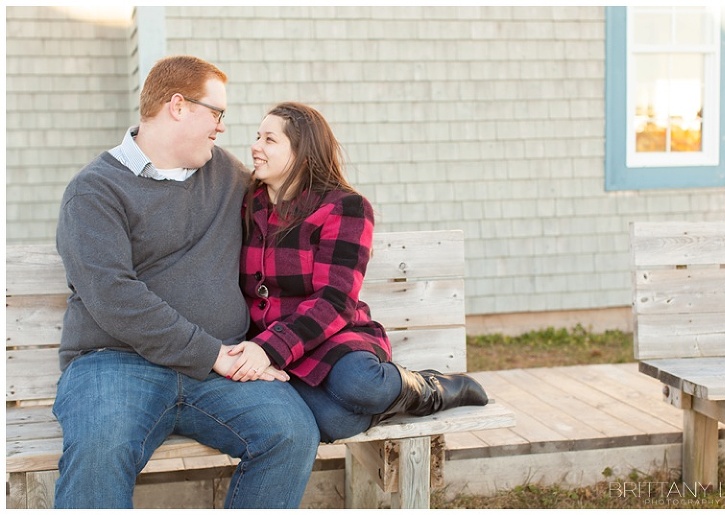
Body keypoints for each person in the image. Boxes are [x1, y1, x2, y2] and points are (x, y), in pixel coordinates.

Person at [53, 56, 320, 509]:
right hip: (116, 363)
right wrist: (213, 355)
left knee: (291, 432)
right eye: (216, 113)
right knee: (101, 448)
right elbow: (114, 297)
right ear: (178, 106)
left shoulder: (231, 176)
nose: (221, 127)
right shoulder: (95, 191)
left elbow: (301, 204)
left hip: (221, 366)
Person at [230, 102, 488, 443]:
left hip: (328, 334)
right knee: (334, 422)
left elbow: (335, 301)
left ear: (303, 154)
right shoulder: (248, 202)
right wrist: (261, 349)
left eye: (269, 140)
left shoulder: (343, 207)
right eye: (257, 136)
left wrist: (270, 349)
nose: (255, 147)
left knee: (361, 386)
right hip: (268, 345)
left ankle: (433, 388)